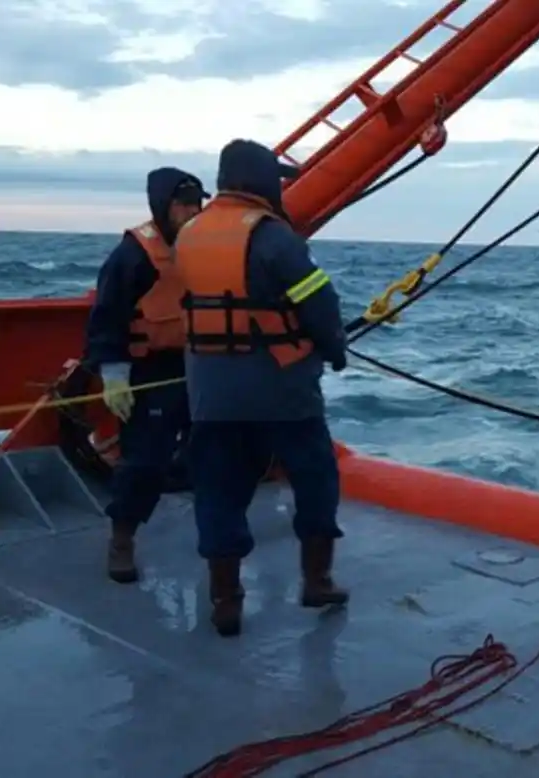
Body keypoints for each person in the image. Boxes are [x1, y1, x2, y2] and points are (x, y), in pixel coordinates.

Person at [173, 138, 349, 638]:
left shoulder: (188, 234)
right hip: (284, 391)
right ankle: (317, 581)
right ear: (260, 181)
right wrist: (335, 350)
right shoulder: (276, 238)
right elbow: (320, 306)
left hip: (210, 393)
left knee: (219, 490)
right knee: (315, 480)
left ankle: (225, 601)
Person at [86, 167, 208, 584]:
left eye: (197, 202)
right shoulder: (133, 254)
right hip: (150, 372)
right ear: (162, 205)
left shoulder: (208, 247)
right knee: (144, 464)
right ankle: (122, 539)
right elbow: (107, 318)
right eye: (183, 203)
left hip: (202, 366)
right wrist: (114, 375)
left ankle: (216, 541)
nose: (191, 211)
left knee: (217, 453)